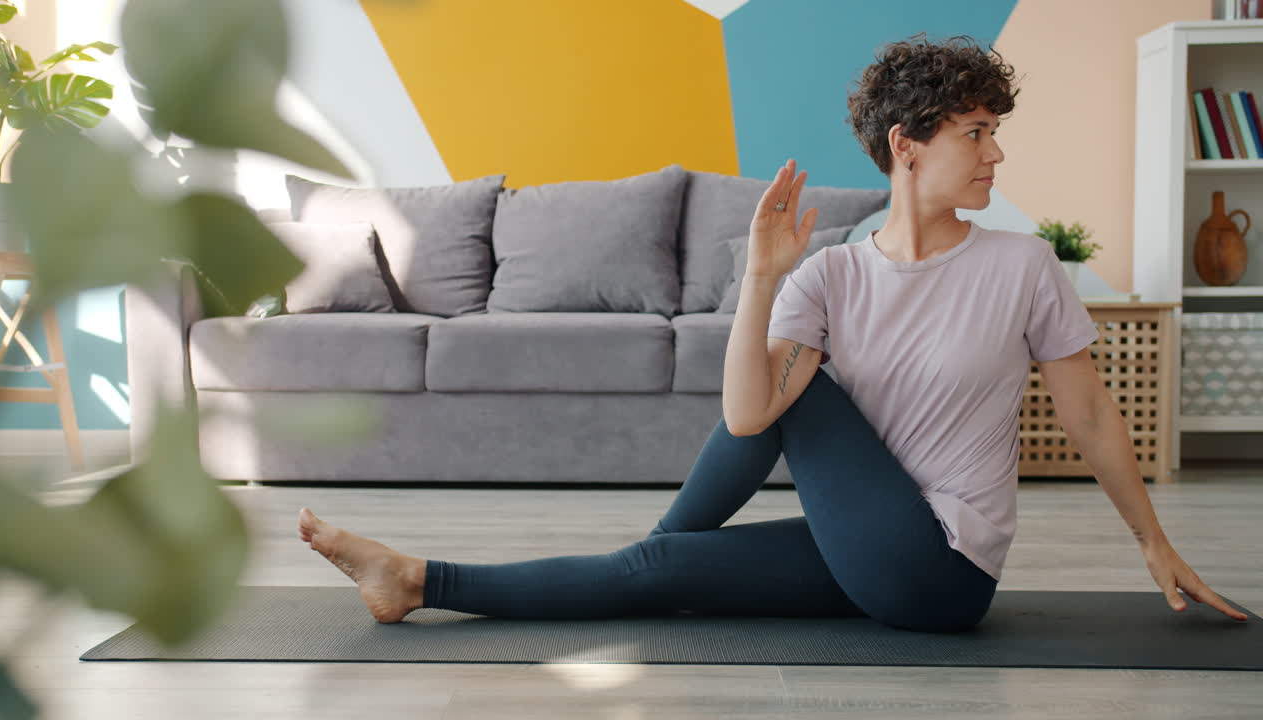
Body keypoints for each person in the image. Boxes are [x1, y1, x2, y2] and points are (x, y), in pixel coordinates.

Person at [298, 33, 1249, 631]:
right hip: (869, 543)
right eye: (975, 131)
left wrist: (1152, 543)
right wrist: (761, 277)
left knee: (802, 401)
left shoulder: (1020, 267)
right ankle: (416, 580)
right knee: (664, 567)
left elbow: (1087, 413)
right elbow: (749, 415)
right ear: (906, 150)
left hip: (943, 571)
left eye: (996, 130)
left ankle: (649, 549)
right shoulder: (832, 271)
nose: (996, 151)